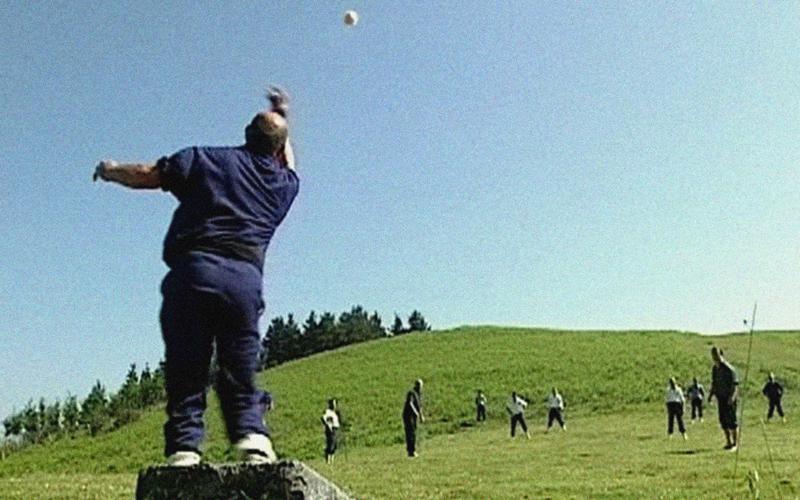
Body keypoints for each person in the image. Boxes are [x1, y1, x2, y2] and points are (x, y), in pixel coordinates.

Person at [93, 87, 299, 466]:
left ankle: (185, 448)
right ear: (277, 148)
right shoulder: (282, 186)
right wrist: (283, 115)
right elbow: (288, 161)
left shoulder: (204, 159)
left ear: (246, 133)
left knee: (187, 364)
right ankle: (252, 438)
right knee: (239, 362)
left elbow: (148, 175)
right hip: (243, 280)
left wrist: (110, 170)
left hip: (194, 272)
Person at [708, 347, 739, 450]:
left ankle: (735, 443)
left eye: (716, 355)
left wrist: (732, 397)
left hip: (729, 398)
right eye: (713, 355)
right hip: (720, 398)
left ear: (721, 354)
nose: (715, 357)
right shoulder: (714, 369)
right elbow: (714, 383)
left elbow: (735, 385)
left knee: (732, 421)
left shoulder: (729, 369)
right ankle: (728, 442)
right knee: (723, 421)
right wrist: (711, 395)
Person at [402, 379, 425, 457]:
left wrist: (421, 416)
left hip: (414, 416)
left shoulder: (419, 394)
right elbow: (410, 403)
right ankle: (411, 451)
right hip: (408, 416)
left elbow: (420, 406)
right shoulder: (411, 393)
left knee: (414, 432)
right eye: (419, 386)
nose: (421, 388)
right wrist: (416, 413)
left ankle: (412, 450)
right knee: (410, 432)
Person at [321, 399, 341, 464]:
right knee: (330, 443)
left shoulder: (336, 412)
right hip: (331, 429)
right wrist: (328, 424)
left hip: (336, 428)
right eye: (333, 404)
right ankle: (328, 459)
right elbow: (324, 418)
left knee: (335, 443)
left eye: (335, 404)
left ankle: (332, 459)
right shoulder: (328, 411)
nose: (334, 406)